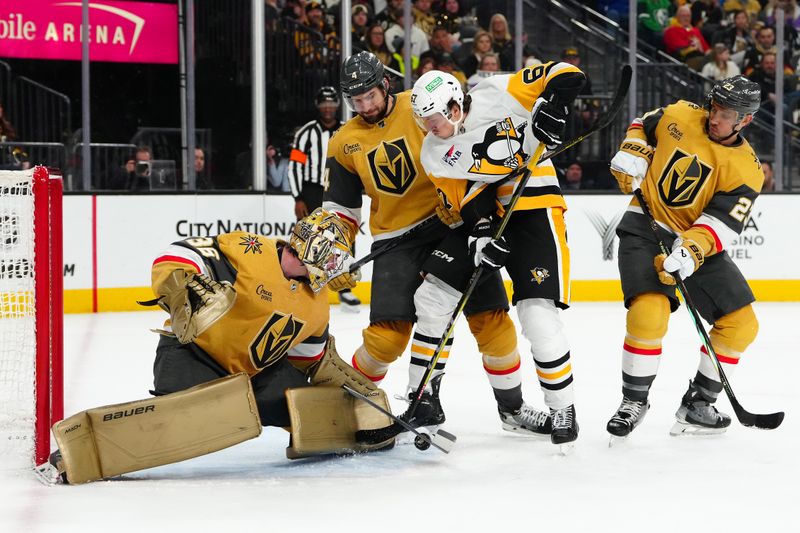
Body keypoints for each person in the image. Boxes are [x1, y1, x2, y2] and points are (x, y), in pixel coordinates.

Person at [47, 209, 393, 484]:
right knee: (199, 415)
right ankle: (82, 453)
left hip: (252, 375)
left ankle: (370, 426)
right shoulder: (250, 249)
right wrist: (183, 282)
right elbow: (177, 252)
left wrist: (353, 395)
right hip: (191, 356)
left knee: (301, 404)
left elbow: (311, 362)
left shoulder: (317, 306)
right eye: (333, 259)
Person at [323, 51, 552, 440]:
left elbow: (472, 140)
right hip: (395, 241)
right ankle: (346, 406)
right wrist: (335, 251)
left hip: (455, 227)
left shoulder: (422, 103)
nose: (365, 106)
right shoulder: (344, 143)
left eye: (370, 96)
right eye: (356, 101)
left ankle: (511, 408)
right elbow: (342, 209)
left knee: (493, 323)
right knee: (386, 336)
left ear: (385, 85)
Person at [410, 60, 587, 447]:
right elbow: (467, 196)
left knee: (537, 315)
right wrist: (481, 237)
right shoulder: (434, 150)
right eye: (423, 120)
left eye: (434, 118)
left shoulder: (499, 90)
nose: (430, 127)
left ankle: (563, 408)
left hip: (533, 207)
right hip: (485, 215)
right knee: (433, 296)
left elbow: (565, 71)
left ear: (456, 106)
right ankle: (421, 399)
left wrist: (554, 106)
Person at [607, 75, 764, 438]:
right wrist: (632, 149)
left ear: (746, 120)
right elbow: (643, 125)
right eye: (715, 107)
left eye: (727, 114)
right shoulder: (680, 114)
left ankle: (699, 404)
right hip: (645, 227)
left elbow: (721, 221)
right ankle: (634, 401)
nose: (716, 117)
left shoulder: (747, 170)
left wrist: (690, 252)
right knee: (650, 312)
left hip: (695, 244)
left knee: (742, 324)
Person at [288, 86, 361, 311]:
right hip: (312, 190)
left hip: (340, 188)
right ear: (318, 106)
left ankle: (345, 289)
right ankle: (309, 287)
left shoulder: (347, 130)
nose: (328, 107)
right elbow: (295, 167)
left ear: (338, 105)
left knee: (345, 235)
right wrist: (298, 197)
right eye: (324, 103)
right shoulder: (306, 133)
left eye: (331, 103)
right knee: (311, 238)